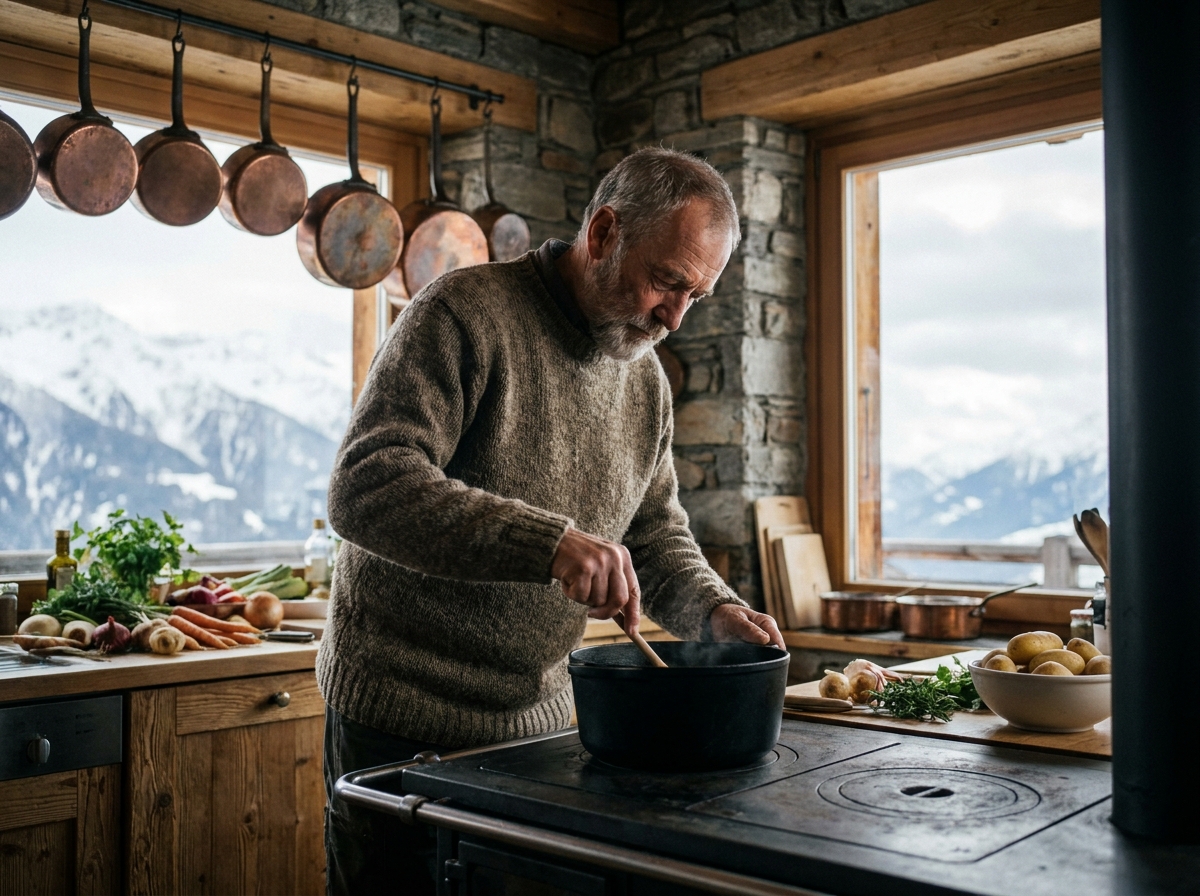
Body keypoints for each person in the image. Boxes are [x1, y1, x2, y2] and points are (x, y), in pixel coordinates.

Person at [319, 147, 786, 894]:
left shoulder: (646, 385)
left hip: (546, 727)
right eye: (668, 282)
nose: (674, 317)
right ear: (603, 232)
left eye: (695, 296)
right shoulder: (460, 313)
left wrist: (715, 613)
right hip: (401, 722)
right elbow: (366, 488)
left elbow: (656, 537)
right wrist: (548, 543)